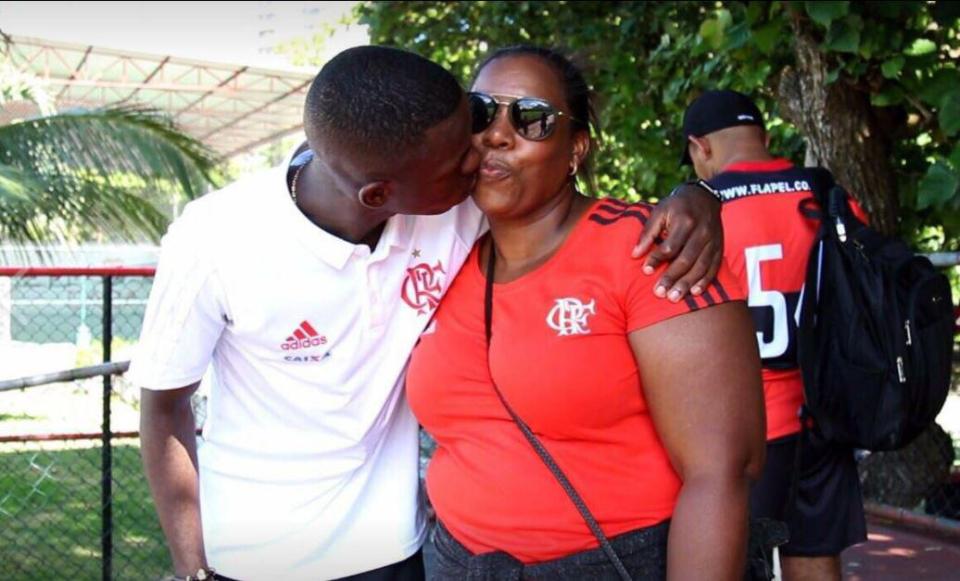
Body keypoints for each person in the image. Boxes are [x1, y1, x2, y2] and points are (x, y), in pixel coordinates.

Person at [131, 46, 726, 581]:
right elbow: (163, 405)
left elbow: (563, 208)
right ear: (379, 196)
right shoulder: (216, 238)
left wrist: (699, 194)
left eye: (522, 121)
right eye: (476, 124)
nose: (481, 156)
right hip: (257, 557)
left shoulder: (455, 211)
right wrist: (192, 567)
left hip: (403, 552)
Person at [406, 46, 767, 580]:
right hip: (455, 562)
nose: (497, 135)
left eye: (532, 119)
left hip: (614, 563)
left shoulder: (650, 250)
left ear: (576, 149)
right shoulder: (438, 253)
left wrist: (698, 195)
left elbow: (721, 472)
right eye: (481, 112)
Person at [679, 89, 868, 580]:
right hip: (826, 417)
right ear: (763, 137)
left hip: (741, 428)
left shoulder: (700, 212)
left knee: (730, 561)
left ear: (701, 147)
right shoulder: (829, 196)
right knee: (815, 551)